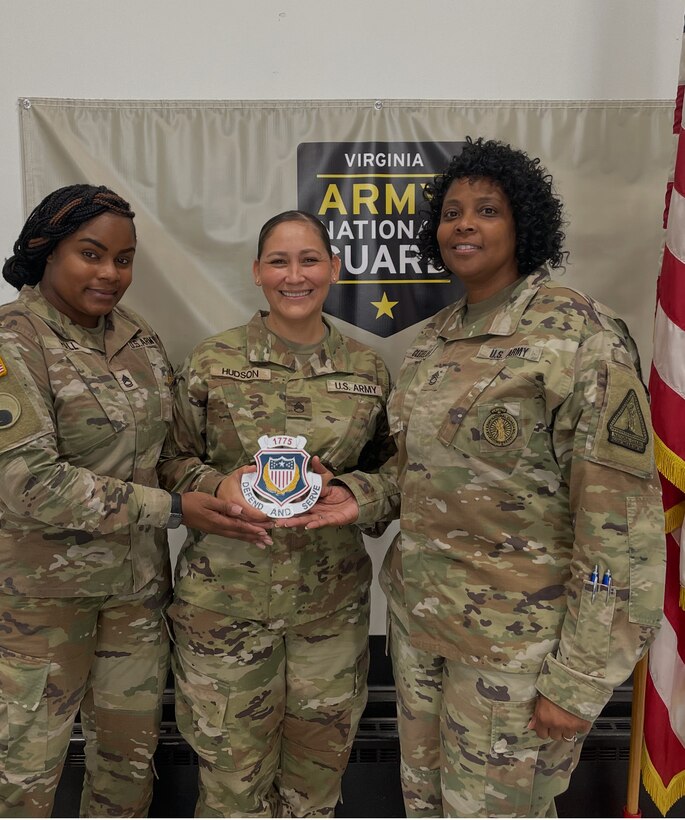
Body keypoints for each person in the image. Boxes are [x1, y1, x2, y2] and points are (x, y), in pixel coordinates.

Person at [288, 138, 666, 817]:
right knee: (428, 807)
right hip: (423, 630)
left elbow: (620, 528)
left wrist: (579, 678)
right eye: (452, 211)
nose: (464, 224)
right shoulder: (432, 341)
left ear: (523, 223)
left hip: (516, 652)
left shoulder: (579, 336)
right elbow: (416, 472)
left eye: (486, 210)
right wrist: (357, 494)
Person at [0, 184, 268, 817]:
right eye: (91, 254)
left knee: (127, 763)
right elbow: (28, 479)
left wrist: (233, 487)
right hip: (40, 606)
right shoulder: (14, 342)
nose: (110, 273)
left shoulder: (136, 336)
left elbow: (170, 449)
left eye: (123, 259)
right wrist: (173, 511)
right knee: (25, 771)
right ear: (46, 250)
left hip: (136, 593)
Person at [157, 210, 397, 817]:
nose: (296, 275)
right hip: (225, 610)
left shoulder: (367, 372)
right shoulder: (212, 362)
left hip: (329, 614)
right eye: (280, 261)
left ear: (334, 269)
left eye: (310, 259)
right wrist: (218, 482)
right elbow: (167, 461)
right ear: (258, 273)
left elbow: (397, 475)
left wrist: (352, 492)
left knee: (316, 787)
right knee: (231, 788)